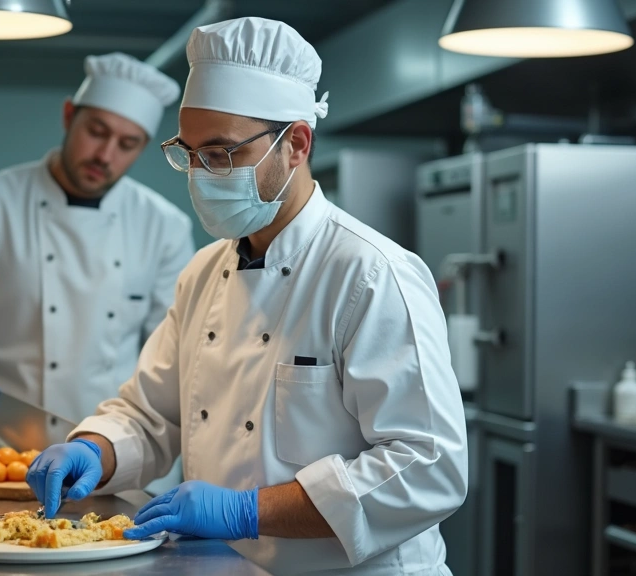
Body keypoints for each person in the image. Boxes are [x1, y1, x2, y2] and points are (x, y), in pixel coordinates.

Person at [26, 18, 467, 576]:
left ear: (296, 145)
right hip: (232, 567)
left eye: (221, 152)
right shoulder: (203, 272)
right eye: (189, 154)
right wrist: (94, 448)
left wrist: (245, 511)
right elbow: (151, 414)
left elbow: (427, 469)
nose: (201, 175)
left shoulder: (370, 275)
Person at [0, 52, 194, 424]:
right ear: (69, 116)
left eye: (127, 144)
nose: (105, 154)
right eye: (96, 132)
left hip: (111, 450)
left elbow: (171, 352)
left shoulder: (163, 226)